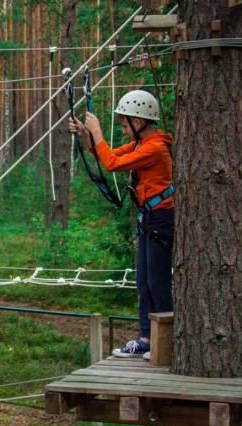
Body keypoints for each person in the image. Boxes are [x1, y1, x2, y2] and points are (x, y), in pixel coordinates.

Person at [69, 90, 174, 359]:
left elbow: (112, 163)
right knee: (143, 282)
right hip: (150, 219)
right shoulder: (141, 145)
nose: (124, 130)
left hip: (162, 219)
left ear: (139, 123)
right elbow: (109, 155)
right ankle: (146, 339)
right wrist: (86, 134)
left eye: (126, 125)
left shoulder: (154, 147)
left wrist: (98, 132)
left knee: (157, 282)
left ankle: (165, 341)